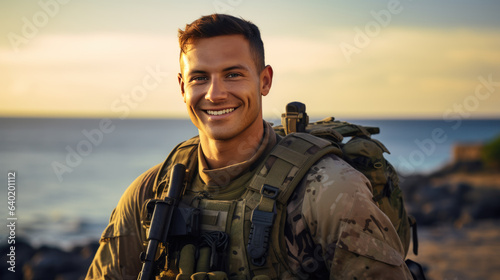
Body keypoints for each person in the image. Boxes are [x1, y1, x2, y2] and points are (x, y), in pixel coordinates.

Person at [86, 14, 412, 279]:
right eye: (200, 77)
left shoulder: (330, 193)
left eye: (233, 74)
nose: (215, 93)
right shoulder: (151, 193)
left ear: (265, 80)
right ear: (182, 87)